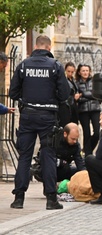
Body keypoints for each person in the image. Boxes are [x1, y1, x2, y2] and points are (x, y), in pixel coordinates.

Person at [9, 35, 70, 210]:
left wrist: (26, 97)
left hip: (27, 116)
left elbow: (13, 93)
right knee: (48, 155)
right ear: (49, 48)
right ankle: (51, 199)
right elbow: (64, 94)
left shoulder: (23, 65)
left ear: (35, 46)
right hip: (48, 116)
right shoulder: (55, 66)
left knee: (25, 156)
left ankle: (18, 198)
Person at [76, 64, 101, 156]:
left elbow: (97, 95)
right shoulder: (76, 83)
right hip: (83, 111)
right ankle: (88, 155)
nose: (85, 72)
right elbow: (77, 99)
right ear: (79, 72)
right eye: (83, 71)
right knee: (86, 133)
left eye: (87, 70)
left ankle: (86, 149)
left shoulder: (95, 81)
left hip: (95, 109)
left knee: (97, 133)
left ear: (89, 71)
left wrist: (83, 95)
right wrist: (91, 96)